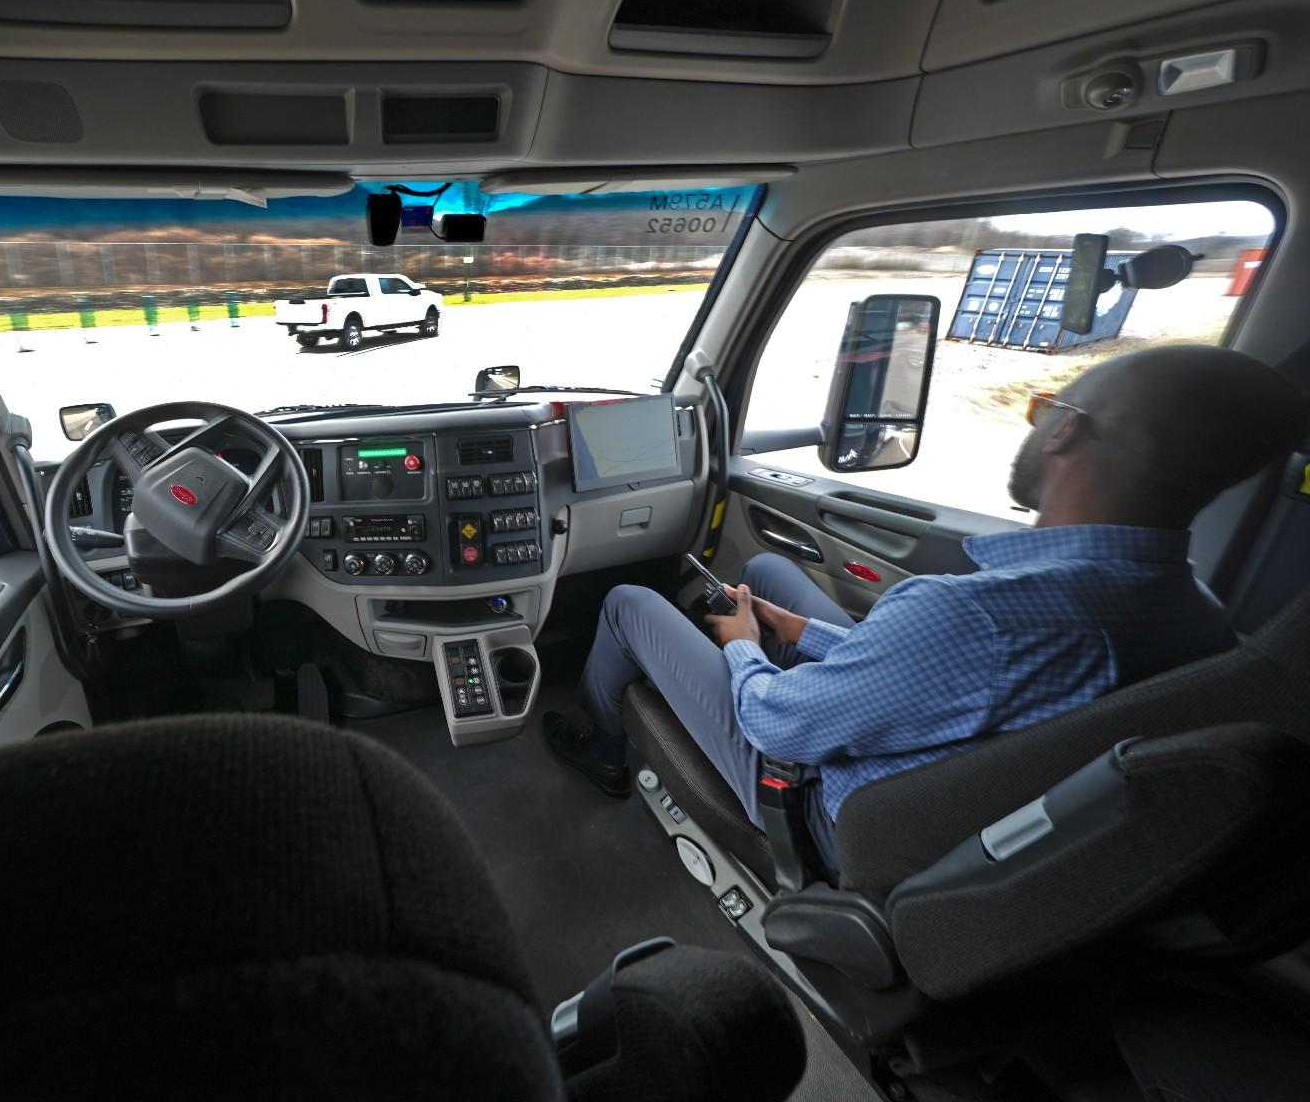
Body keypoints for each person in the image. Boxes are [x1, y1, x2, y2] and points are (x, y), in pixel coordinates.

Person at [544, 345, 1310, 872]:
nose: (1038, 420)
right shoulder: (1198, 616)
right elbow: (944, 681)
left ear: (1069, 431)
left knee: (628, 602)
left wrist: (745, 645)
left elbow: (777, 722)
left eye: (1046, 405)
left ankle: (609, 753)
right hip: (956, 786)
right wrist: (797, 632)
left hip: (828, 804)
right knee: (773, 568)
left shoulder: (977, 617)